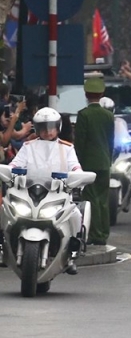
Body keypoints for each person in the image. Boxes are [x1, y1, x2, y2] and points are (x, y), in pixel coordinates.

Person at [8, 107, 84, 273]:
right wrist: (8, 172)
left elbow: (76, 168)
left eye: (51, 127)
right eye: (43, 127)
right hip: (30, 194)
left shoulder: (67, 148)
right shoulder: (28, 147)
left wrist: (78, 177)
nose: (48, 131)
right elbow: (14, 165)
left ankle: (72, 255)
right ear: (37, 128)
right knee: (4, 210)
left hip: (59, 194)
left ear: (58, 128)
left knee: (76, 215)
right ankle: (2, 248)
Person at [73, 74, 115, 246]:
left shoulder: (83, 115)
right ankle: (104, 233)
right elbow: (111, 141)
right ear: (102, 93)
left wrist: (77, 164)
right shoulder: (108, 116)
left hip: (88, 165)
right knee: (103, 200)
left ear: (86, 94)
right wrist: (109, 159)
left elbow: (80, 143)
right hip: (105, 162)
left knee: (90, 199)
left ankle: (95, 234)